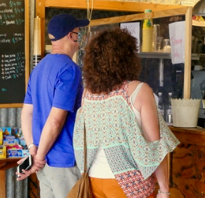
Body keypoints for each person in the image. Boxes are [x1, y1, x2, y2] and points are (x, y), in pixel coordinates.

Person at [74, 28, 179, 198]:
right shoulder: (138, 90)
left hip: (93, 180)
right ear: (127, 58)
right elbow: (155, 147)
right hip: (128, 184)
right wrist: (164, 189)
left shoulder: (88, 94)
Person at [17, 13, 90, 198]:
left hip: (44, 161)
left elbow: (27, 113)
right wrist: (39, 156)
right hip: (63, 160)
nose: (79, 37)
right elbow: (56, 121)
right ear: (70, 35)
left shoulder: (39, 68)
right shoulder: (70, 69)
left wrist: (33, 149)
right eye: (78, 32)